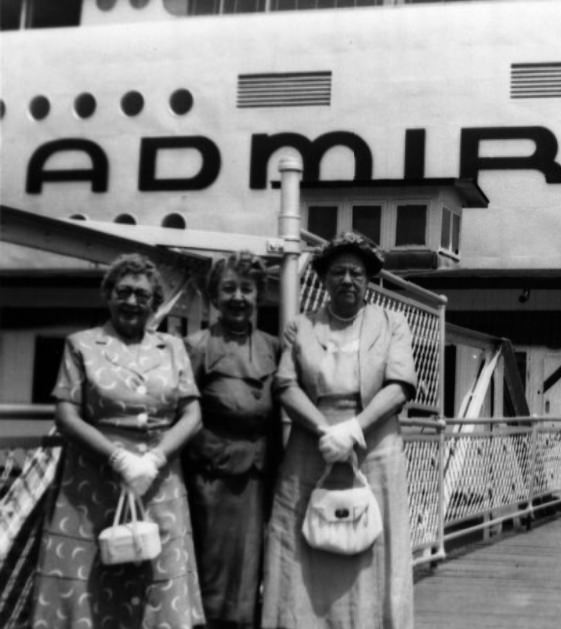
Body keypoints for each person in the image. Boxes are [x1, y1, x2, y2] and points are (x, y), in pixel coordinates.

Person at [31, 253, 205, 628]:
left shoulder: (173, 348)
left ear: (154, 303)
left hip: (158, 484)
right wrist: (118, 458)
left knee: (156, 587)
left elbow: (192, 415)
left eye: (142, 295)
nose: (131, 301)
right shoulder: (81, 345)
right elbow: (66, 415)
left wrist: (155, 459)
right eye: (123, 292)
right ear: (108, 295)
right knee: (88, 588)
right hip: (93, 484)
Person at [261, 232, 417, 629]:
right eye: (338, 272)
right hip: (311, 447)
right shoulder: (301, 326)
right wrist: (324, 430)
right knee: (304, 545)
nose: (347, 280)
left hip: (375, 445)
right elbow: (285, 385)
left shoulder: (391, 323)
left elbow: (399, 386)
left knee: (373, 549)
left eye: (356, 273)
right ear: (324, 279)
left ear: (369, 280)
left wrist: (352, 429)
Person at [183, 251, 281, 629]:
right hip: (212, 479)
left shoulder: (273, 347)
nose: (239, 297)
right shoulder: (196, 347)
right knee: (212, 574)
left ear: (259, 295)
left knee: (250, 574)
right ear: (214, 296)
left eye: (247, 289)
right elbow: (180, 413)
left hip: (258, 479)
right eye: (229, 289)